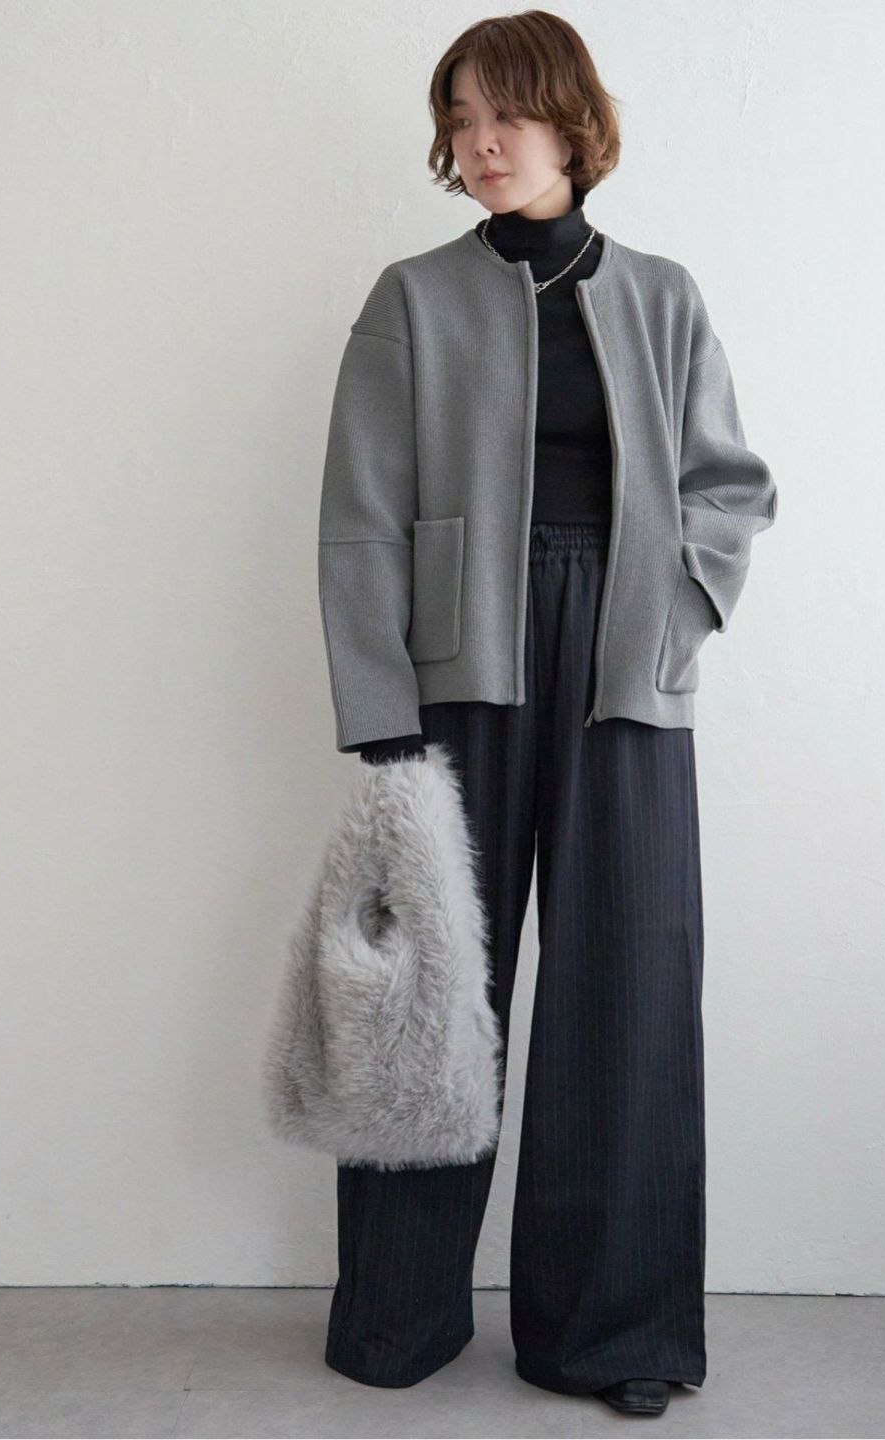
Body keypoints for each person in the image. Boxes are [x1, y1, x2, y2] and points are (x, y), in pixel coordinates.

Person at [317, 9, 777, 1417]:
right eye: (459, 120)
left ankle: (610, 1331)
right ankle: (399, 1315)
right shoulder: (412, 298)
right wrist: (382, 707)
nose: (480, 143)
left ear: (572, 123)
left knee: (628, 992)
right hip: (459, 670)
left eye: (505, 114)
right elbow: (360, 517)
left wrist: (673, 615)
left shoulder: (663, 296)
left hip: (623, 671)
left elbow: (728, 489)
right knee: (430, 998)